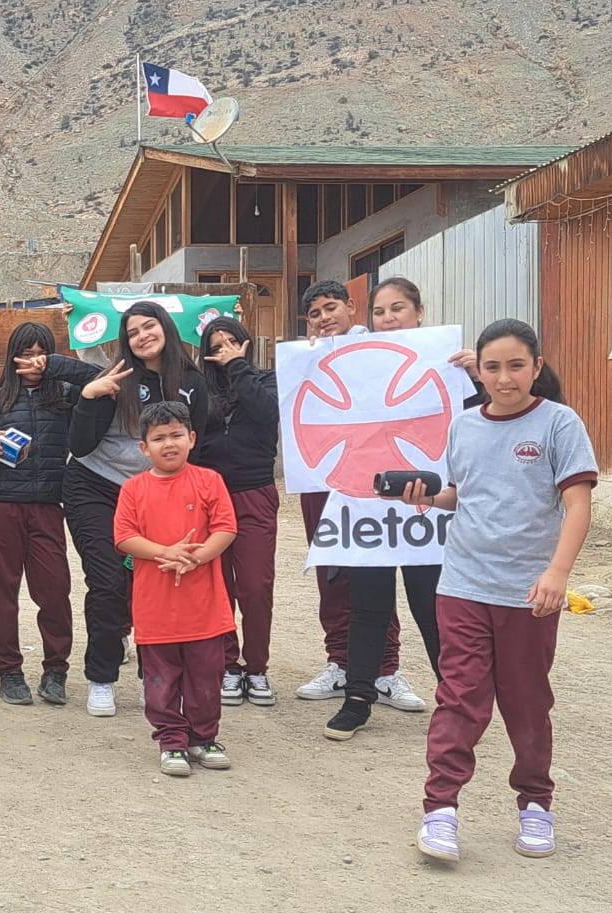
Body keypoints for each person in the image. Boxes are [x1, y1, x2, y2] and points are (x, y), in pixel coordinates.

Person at [400, 320, 595, 863]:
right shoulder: (463, 426)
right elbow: (465, 495)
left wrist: (557, 572)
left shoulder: (560, 423)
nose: (504, 378)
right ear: (478, 371)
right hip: (461, 585)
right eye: (492, 367)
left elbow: (577, 504)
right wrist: (426, 497)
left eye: (515, 366)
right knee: (459, 698)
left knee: (527, 702)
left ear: (536, 366)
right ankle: (440, 810)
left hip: (528, 593)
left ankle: (536, 803)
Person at [324, 277, 463, 739]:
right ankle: (358, 698)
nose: (388, 318)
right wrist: (313, 356)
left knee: (431, 604)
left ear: (419, 313)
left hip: (427, 501)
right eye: (379, 311)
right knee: (368, 605)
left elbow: (479, 416)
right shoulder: (356, 364)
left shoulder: (447, 363)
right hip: (369, 504)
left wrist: (477, 375)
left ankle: (459, 700)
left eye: (397, 308)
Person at [43, 301, 195, 717]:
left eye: (150, 327)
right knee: (108, 581)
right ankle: (102, 677)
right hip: (94, 485)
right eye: (133, 332)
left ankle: (157, 677)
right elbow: (80, 445)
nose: (143, 336)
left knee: (153, 584)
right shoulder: (115, 378)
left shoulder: (190, 380)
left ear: (166, 328)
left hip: (154, 492)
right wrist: (90, 398)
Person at [293, 281, 407, 706]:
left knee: (377, 573)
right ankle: (340, 662)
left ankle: (386, 670)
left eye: (331, 308)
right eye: (315, 313)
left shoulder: (379, 350)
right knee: (333, 573)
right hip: (322, 479)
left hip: (372, 483)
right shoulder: (302, 360)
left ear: (351, 308)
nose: (324, 318)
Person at [113, 400, 238, 777]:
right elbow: (123, 537)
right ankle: (171, 740)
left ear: (192, 438)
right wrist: (165, 552)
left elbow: (226, 528)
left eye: (176, 435)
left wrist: (196, 557)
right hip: (155, 608)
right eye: (158, 438)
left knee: (206, 676)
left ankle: (203, 737)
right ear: (143, 447)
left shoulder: (209, 481)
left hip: (205, 606)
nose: (169, 444)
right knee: (160, 679)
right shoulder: (133, 489)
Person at [0, 322, 75, 705]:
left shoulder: (66, 396)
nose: (32, 360)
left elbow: (100, 378)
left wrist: (57, 368)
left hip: (47, 504)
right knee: (2, 593)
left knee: (55, 591)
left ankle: (55, 671)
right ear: (12, 355)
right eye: (25, 352)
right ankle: (9, 672)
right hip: (0, 505)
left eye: (40, 352)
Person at [198, 316, 280, 707]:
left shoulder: (266, 381)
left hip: (254, 493)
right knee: (218, 586)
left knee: (255, 585)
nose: (225, 349)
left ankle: (257, 668)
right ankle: (228, 665)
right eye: (216, 347)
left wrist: (238, 367)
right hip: (211, 497)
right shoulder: (199, 391)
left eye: (232, 342)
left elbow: (267, 415)